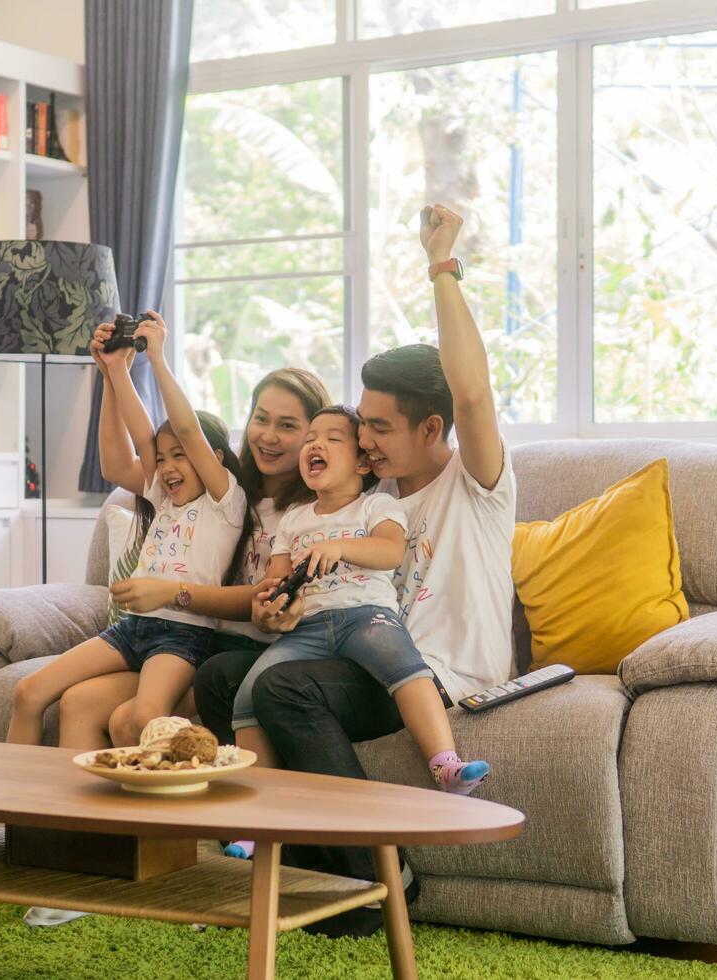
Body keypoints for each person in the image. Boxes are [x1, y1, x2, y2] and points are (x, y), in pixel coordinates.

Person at [194, 204, 516, 933]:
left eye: (379, 426)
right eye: (359, 424)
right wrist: (276, 611)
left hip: (439, 670)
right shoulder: (368, 496)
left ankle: (378, 876)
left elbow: (472, 392)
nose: (362, 439)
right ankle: (299, 858)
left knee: (285, 687)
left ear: (431, 428)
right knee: (219, 675)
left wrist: (441, 263)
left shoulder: (479, 483)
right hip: (353, 651)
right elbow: (320, 573)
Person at [220, 404, 491, 861]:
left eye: (331, 439)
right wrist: (272, 604)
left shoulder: (376, 505)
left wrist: (339, 545)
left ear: (362, 463)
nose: (315, 446)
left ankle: (446, 765)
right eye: (310, 439)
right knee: (246, 695)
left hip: (366, 616)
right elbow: (276, 578)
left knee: (406, 668)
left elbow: (389, 551)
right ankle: (254, 820)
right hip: (306, 630)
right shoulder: (293, 521)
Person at [5, 310, 249, 753]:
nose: (168, 467)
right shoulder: (160, 494)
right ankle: (25, 815)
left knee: (140, 718)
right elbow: (131, 446)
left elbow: (188, 428)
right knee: (28, 692)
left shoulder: (224, 502)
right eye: (163, 457)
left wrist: (156, 357)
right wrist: (114, 372)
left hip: (182, 635)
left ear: (212, 457)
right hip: (133, 629)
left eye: (181, 456)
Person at [99, 367, 330, 746]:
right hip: (194, 641)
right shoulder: (215, 491)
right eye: (261, 419)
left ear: (313, 436)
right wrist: (112, 373)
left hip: (244, 652)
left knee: (130, 721)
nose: (269, 436)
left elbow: (266, 594)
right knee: (82, 703)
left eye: (287, 426)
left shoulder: (312, 512)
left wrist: (171, 592)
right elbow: (120, 465)